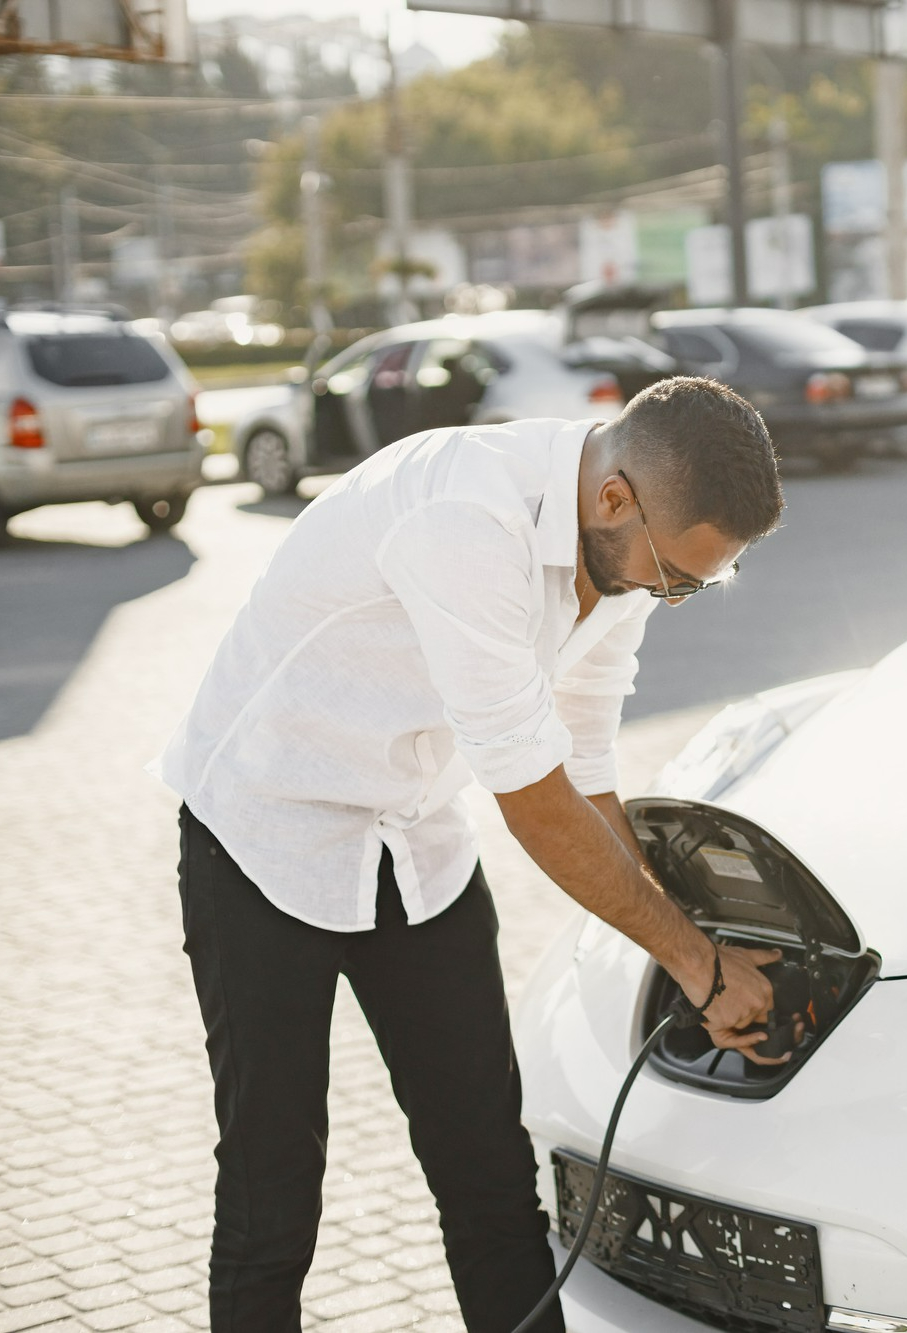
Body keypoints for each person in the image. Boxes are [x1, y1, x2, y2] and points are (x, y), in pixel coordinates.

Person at [156, 378, 786, 1333]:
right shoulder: (466, 518)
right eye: (674, 577)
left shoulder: (627, 548)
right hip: (264, 834)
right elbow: (536, 802)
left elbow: (586, 764)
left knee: (489, 1176)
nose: (670, 596)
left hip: (416, 842)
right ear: (614, 496)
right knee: (270, 1191)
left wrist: (689, 952)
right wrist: (697, 966)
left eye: (696, 586)